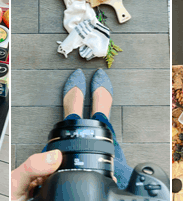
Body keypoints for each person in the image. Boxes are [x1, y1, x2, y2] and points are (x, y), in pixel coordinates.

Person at [11, 69, 133, 200]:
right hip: (105, 182)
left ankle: (72, 117)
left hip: (53, 187)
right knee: (107, 144)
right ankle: (100, 115)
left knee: (61, 148)